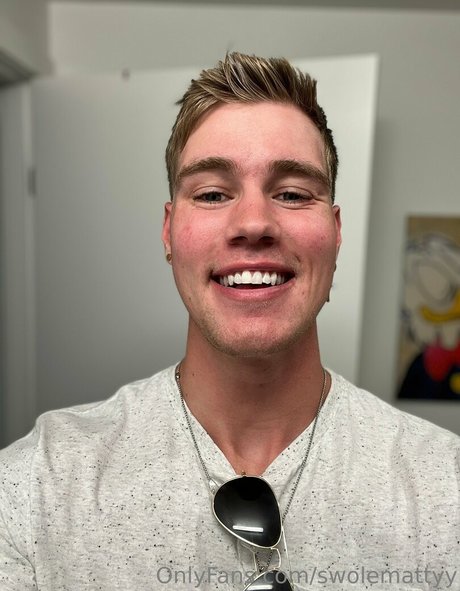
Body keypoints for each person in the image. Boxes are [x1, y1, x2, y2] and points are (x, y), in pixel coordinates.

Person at [0, 52, 459, 591]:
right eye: (213, 194)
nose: (254, 223)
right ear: (169, 232)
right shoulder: (36, 486)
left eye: (292, 194)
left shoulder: (443, 489)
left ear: (336, 235)